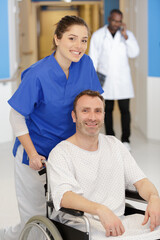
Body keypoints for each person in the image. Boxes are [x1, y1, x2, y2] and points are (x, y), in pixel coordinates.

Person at [0, 16, 103, 240]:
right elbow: (16, 116)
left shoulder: (85, 64)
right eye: (72, 38)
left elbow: (93, 104)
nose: (79, 46)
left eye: (84, 40)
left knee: (64, 214)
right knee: (35, 215)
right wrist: (33, 153)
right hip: (35, 153)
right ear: (57, 39)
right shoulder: (37, 73)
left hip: (66, 154)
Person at [48, 90, 160, 240]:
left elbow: (141, 181)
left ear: (103, 116)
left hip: (120, 222)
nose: (92, 117)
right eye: (85, 111)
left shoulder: (114, 145)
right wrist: (100, 210)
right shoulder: (61, 153)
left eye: (98, 111)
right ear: (74, 116)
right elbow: (64, 197)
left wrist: (154, 198)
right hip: (83, 225)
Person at [89, 9, 140, 151]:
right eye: (114, 20)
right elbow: (93, 58)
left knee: (125, 110)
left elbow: (134, 53)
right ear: (109, 19)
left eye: (119, 21)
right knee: (107, 111)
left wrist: (126, 37)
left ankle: (125, 140)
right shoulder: (98, 35)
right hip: (105, 80)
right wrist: (92, 80)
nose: (117, 24)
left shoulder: (127, 35)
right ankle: (110, 137)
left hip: (123, 81)